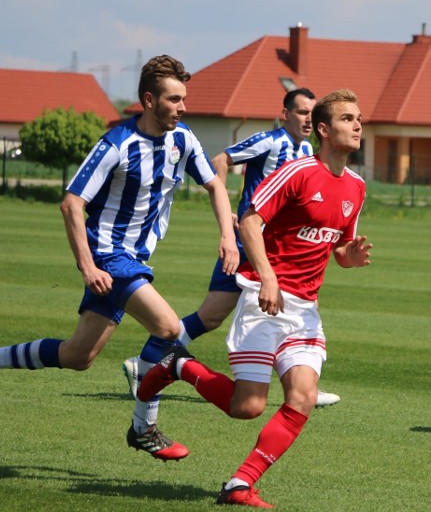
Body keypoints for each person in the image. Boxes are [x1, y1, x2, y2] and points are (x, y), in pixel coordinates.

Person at [0, 55, 239, 462]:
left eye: (183, 99)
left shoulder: (183, 140)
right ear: (149, 100)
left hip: (133, 258)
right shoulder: (116, 143)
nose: (183, 107)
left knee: (77, 356)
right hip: (108, 254)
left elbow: (215, 185)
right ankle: (144, 428)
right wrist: (89, 267)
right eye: (174, 99)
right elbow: (71, 204)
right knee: (168, 328)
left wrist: (227, 236)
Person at [137, 88, 372, 508]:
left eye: (359, 118)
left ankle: (239, 484)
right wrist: (266, 276)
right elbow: (249, 220)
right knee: (246, 407)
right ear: (323, 129)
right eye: (347, 118)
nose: (358, 125)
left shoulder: (356, 186)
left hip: (305, 311)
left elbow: (339, 250)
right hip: (262, 302)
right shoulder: (298, 171)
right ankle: (179, 365)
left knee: (301, 397)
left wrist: (349, 257)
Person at [121, 88, 341, 411]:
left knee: (290, 308)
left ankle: (304, 386)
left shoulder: (306, 149)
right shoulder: (269, 141)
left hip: (278, 249)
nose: (308, 119)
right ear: (285, 115)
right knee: (211, 316)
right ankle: (146, 363)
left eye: (311, 113)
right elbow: (220, 160)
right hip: (249, 244)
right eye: (301, 112)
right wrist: (228, 210)